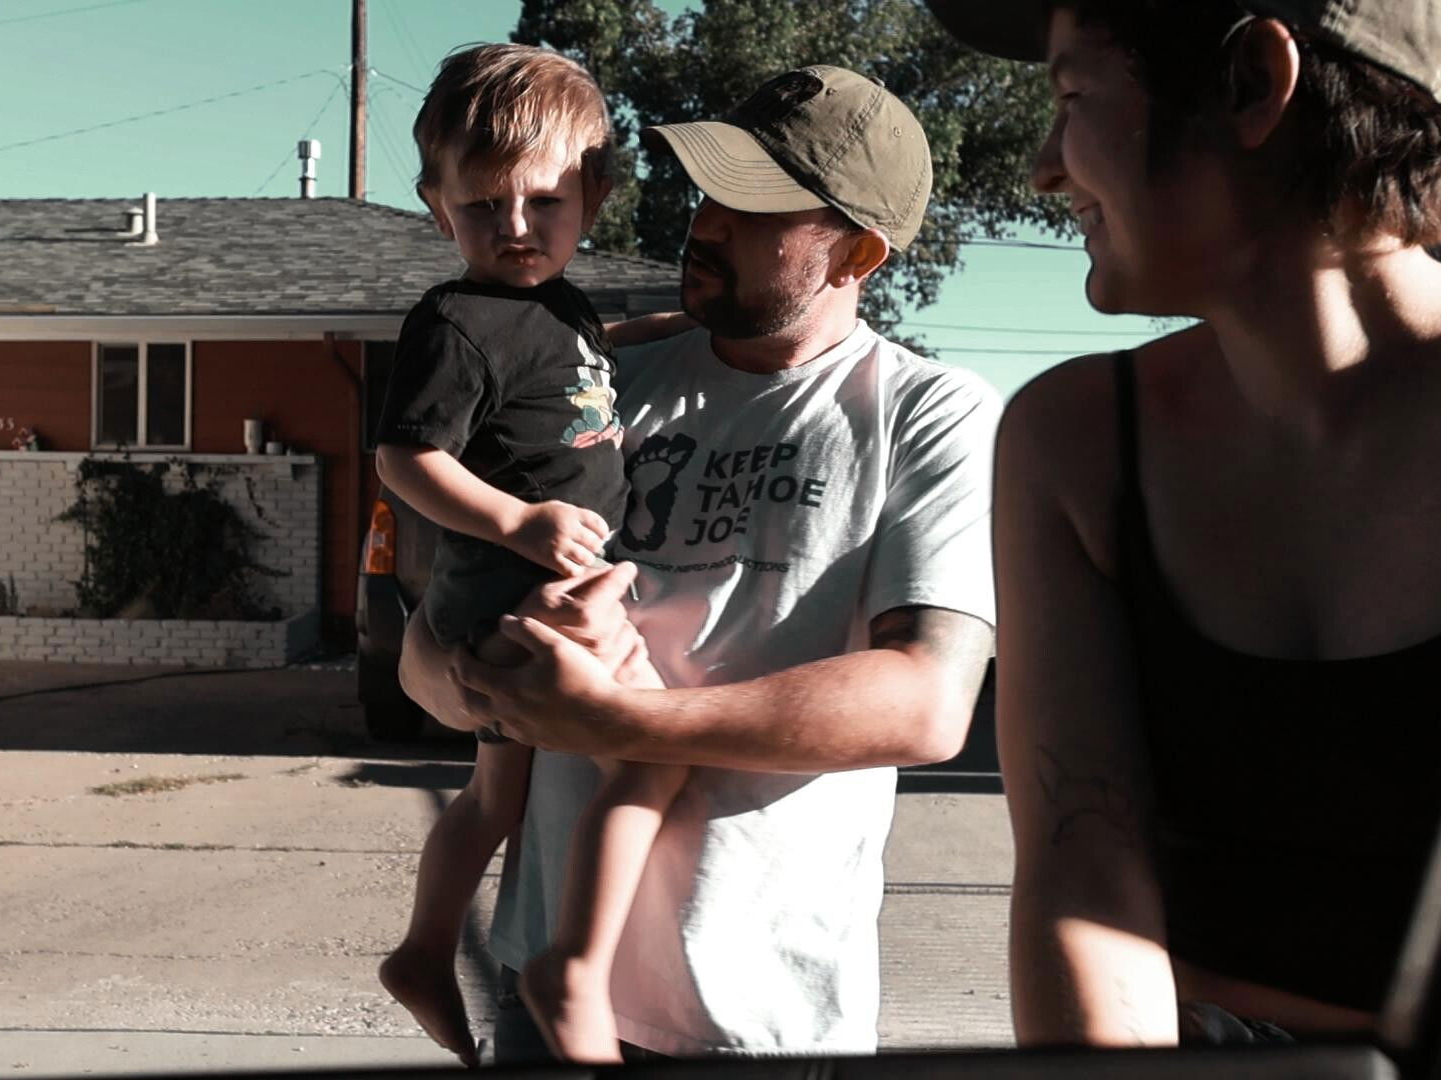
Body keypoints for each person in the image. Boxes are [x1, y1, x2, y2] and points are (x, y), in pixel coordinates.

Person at [399, 65, 1001, 1060]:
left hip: (762, 1016)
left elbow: (927, 706)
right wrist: (471, 679)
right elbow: (430, 650)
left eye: (756, 209)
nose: (708, 223)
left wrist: (619, 722)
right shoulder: (598, 383)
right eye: (713, 191)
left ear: (857, 252)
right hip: (540, 994)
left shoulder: (927, 415)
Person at [926, 0, 1441, 1048]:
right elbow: (1084, 870)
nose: (1043, 168)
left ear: (1252, 83)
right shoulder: (1075, 443)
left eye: (1073, 97)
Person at [370, 42, 691, 1066]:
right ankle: (574, 968)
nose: (515, 226)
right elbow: (404, 458)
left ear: (593, 195)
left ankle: (425, 951)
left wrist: (690, 325)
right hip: (519, 595)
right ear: (438, 208)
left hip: (522, 598)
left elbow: (578, 366)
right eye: (483, 206)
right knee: (653, 753)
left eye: (543, 202)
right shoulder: (456, 321)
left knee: (493, 798)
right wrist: (519, 523)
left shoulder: (558, 306)